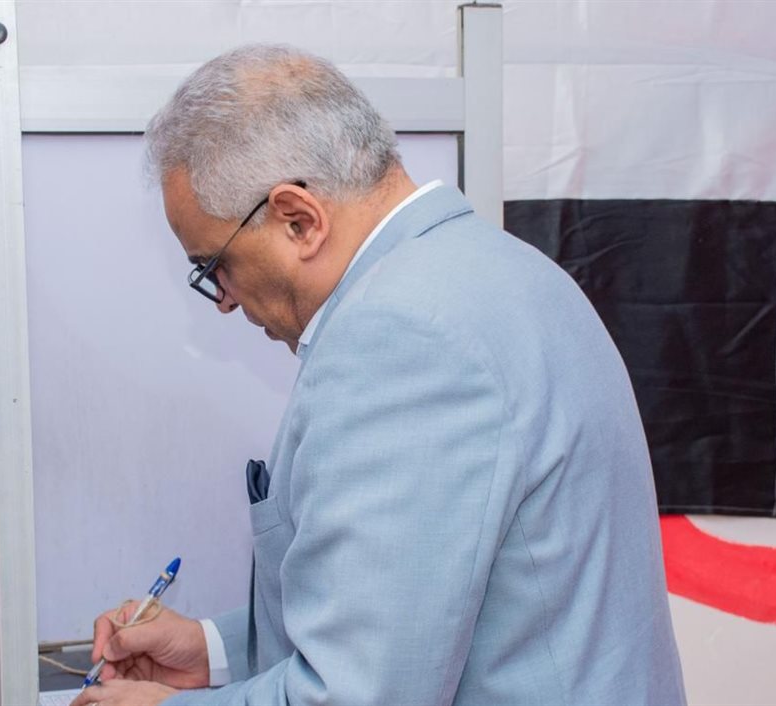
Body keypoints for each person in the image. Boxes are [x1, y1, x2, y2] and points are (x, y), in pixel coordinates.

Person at [74, 44, 685, 706]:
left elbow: (361, 693)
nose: (222, 300)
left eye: (214, 265)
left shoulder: (400, 337)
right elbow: (425, 608)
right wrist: (214, 649)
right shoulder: (502, 269)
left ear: (298, 220)